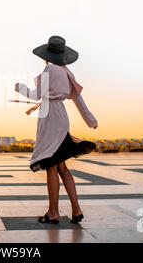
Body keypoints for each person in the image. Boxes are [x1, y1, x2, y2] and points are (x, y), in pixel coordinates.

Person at [15, 35, 98, 224]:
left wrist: (20, 87)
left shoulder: (49, 69)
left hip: (50, 117)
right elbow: (78, 99)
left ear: (47, 54)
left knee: (51, 164)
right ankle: (76, 209)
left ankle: (53, 212)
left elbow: (36, 95)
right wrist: (90, 119)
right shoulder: (68, 72)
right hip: (62, 116)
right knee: (62, 165)